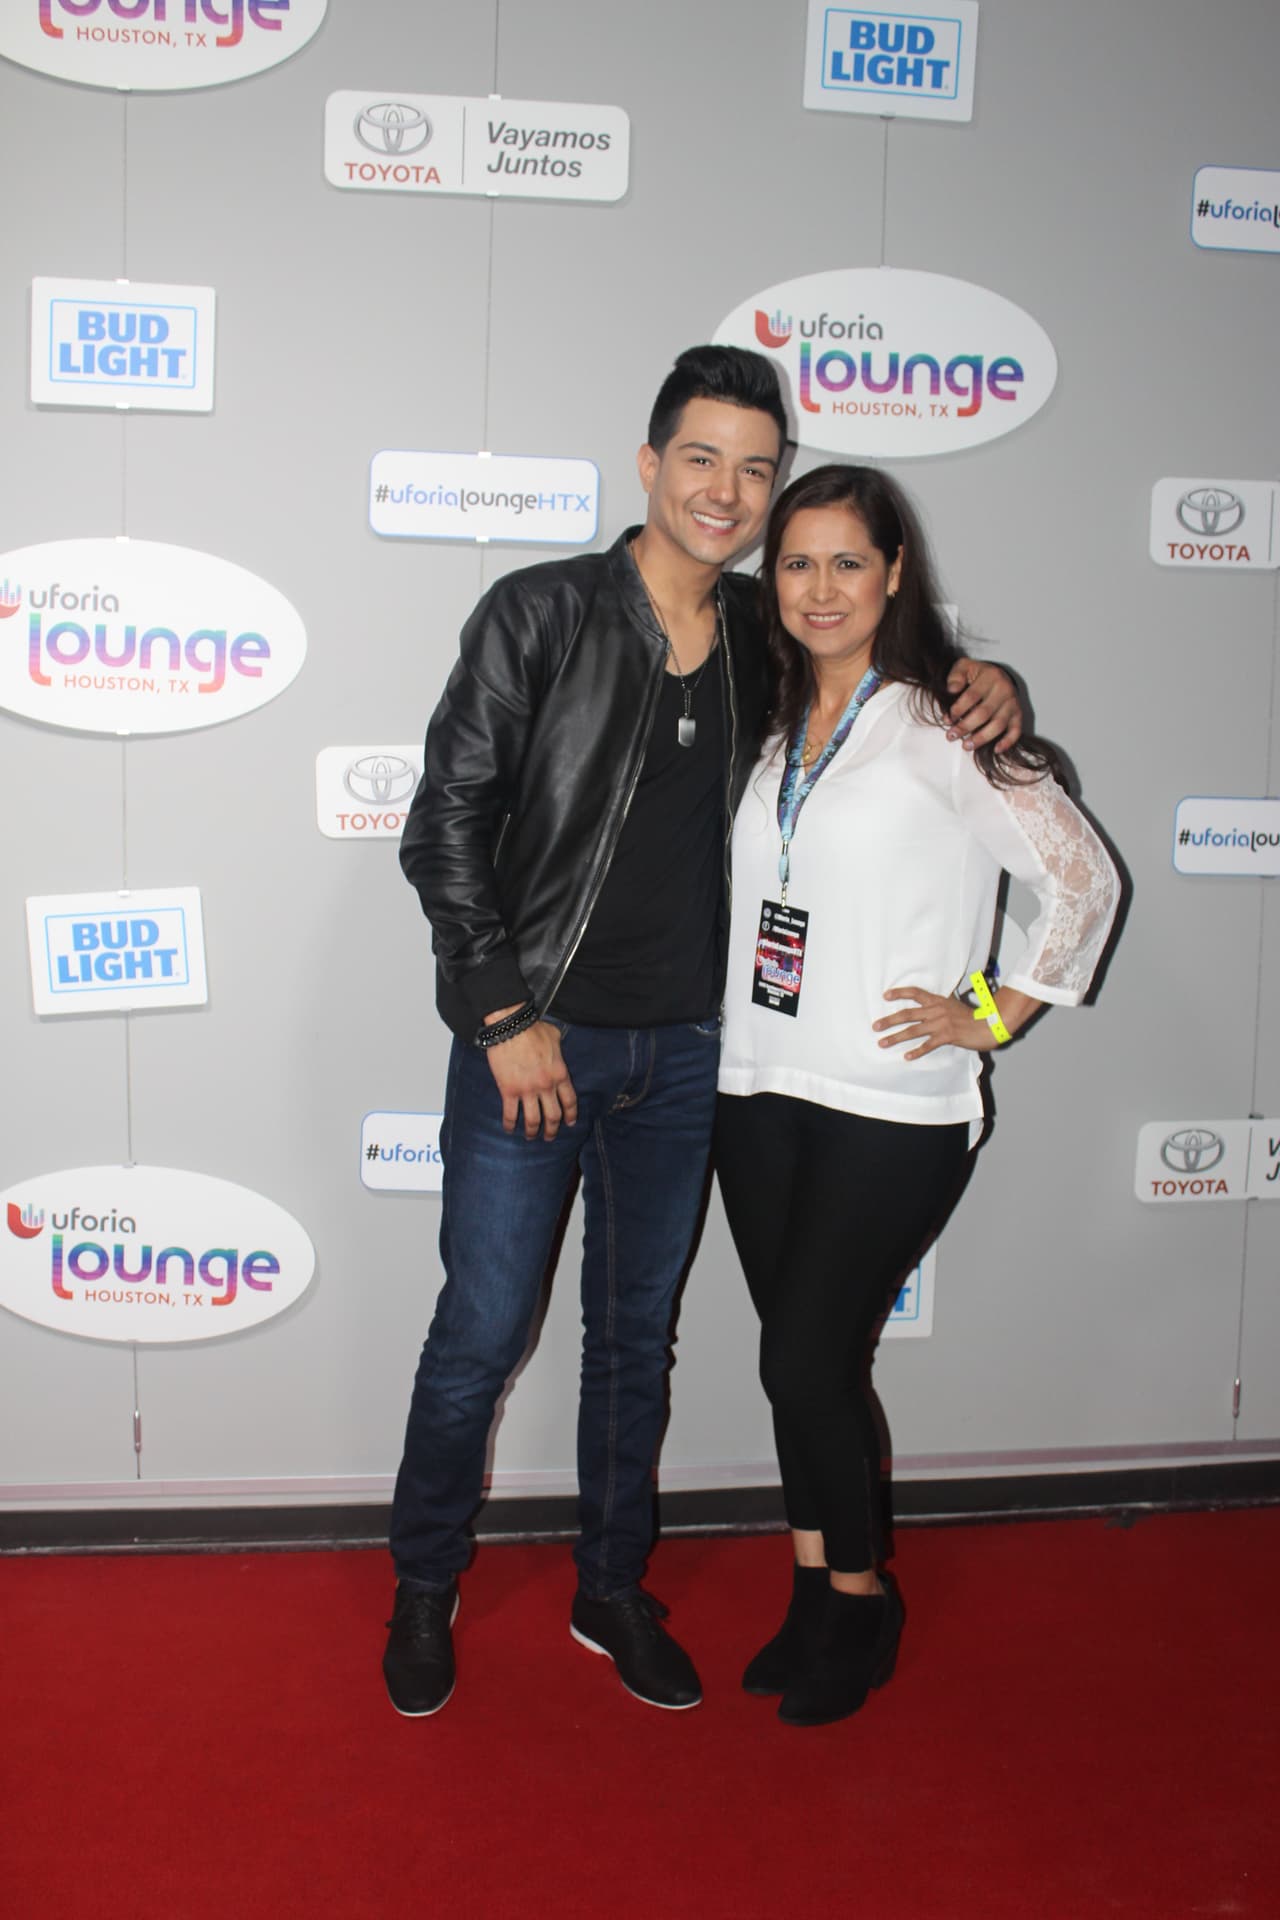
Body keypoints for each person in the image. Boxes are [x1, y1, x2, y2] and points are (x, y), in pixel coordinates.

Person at [385, 351, 1025, 1719]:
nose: (726, 491)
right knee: (482, 1333)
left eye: (754, 467)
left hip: (685, 1059)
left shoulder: (763, 631)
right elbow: (445, 827)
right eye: (700, 459)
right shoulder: (541, 613)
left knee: (635, 1341)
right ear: (649, 464)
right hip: (531, 1043)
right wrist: (500, 1012)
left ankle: (611, 1588)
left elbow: (896, 682)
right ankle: (424, 1585)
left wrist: (985, 683)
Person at [714, 462, 1119, 1728]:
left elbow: (1081, 881)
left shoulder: (947, 726)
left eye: (847, 561)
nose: (819, 588)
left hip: (891, 1104)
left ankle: (860, 1599)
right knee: (792, 1367)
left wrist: (991, 1012)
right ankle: (809, 1592)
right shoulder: (765, 725)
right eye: (795, 562)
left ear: (893, 574)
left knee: (806, 1359)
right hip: (754, 1085)